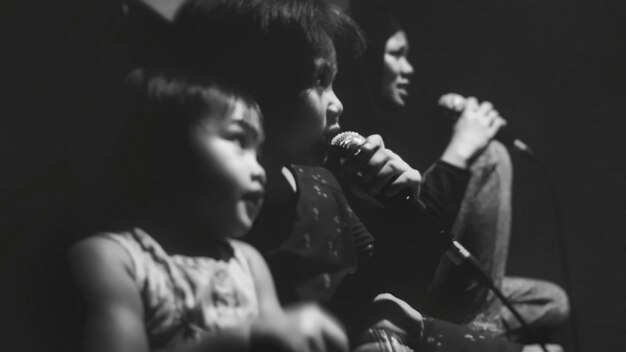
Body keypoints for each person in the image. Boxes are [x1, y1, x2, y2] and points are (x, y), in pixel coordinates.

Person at [168, 1, 546, 351]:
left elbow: (382, 285)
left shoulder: (321, 184)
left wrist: (404, 207)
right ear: (259, 85)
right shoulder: (222, 206)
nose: (338, 104)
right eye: (319, 81)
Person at [66, 68, 349, 352]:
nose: (259, 170)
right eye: (239, 141)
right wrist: (247, 339)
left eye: (258, 153)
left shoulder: (249, 264)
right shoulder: (111, 260)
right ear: (167, 147)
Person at [337, 3, 570, 344]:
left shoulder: (389, 123)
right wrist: (463, 146)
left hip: (423, 275)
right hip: (393, 283)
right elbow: (411, 236)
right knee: (491, 155)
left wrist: (452, 128)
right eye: (397, 54)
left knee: (551, 301)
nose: (408, 68)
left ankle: (457, 325)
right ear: (367, 59)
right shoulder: (348, 138)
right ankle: (477, 337)